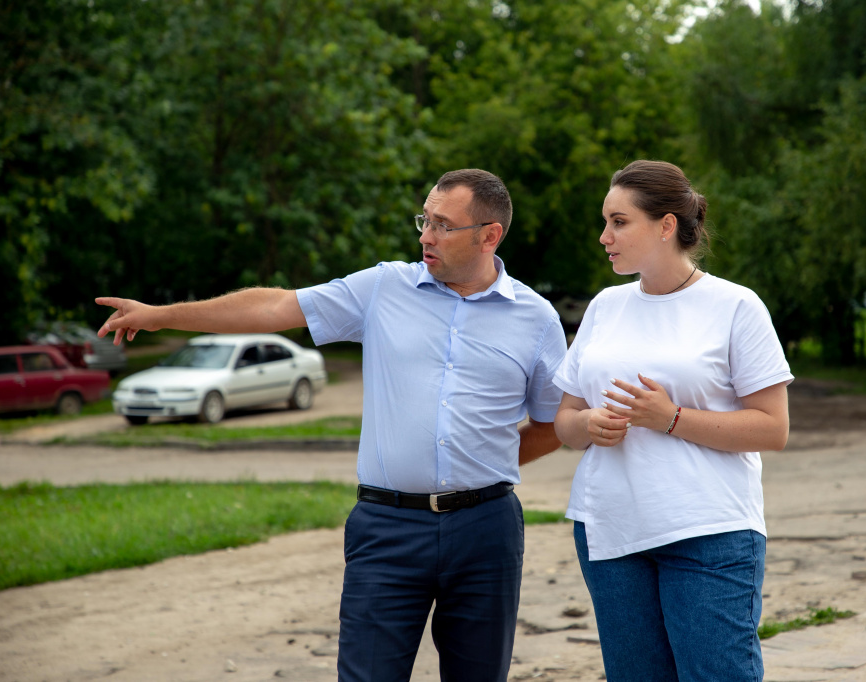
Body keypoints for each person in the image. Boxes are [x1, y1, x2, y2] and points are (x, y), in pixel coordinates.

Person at [95, 169, 567, 682]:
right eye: (424, 221)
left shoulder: (537, 319)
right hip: (387, 529)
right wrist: (162, 315)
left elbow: (551, 424)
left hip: (486, 531)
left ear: (489, 235)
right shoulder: (383, 288)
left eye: (442, 226)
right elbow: (275, 305)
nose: (425, 236)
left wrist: (479, 466)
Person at [551, 160, 793, 681]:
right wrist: (589, 423)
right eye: (605, 221)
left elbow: (773, 429)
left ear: (665, 226)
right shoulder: (605, 307)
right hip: (610, 532)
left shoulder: (735, 306)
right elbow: (565, 419)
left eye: (619, 221)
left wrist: (672, 417)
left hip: (710, 531)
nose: (604, 236)